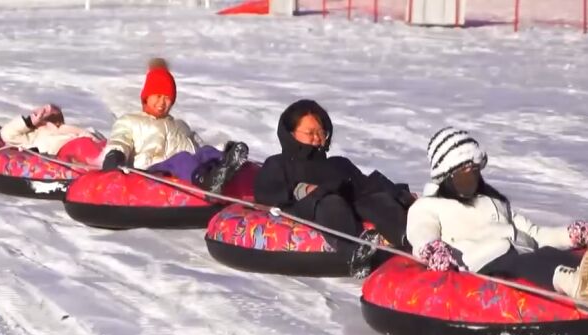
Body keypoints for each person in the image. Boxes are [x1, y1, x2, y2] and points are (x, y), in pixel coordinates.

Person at [407, 127, 588, 300]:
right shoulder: (428, 206)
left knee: (547, 253)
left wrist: (572, 235)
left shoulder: (493, 201)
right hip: (483, 263)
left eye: (474, 171)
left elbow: (535, 234)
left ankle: (581, 275)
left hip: (521, 252)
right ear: (446, 176)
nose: (471, 178)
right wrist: (433, 250)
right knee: (525, 263)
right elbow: (422, 232)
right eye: (463, 173)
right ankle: (573, 285)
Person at [254, 99, 416, 277]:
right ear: (291, 134)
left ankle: (410, 242)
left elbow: (366, 185)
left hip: (348, 203)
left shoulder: (338, 163)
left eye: (320, 132)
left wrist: (402, 197)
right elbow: (266, 194)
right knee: (332, 202)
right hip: (312, 208)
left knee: (376, 199)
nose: (317, 138)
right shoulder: (279, 164)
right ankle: (353, 253)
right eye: (310, 132)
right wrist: (303, 191)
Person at [101, 58, 248, 192]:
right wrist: (115, 155)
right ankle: (206, 181)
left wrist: (224, 149)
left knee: (206, 151)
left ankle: (226, 168)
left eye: (168, 98)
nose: (162, 103)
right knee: (182, 158)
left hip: (182, 173)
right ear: (146, 97)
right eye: (158, 96)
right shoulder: (131, 121)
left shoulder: (180, 125)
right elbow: (120, 139)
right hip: (150, 172)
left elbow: (199, 146)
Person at [0, 104, 103, 158]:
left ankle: (108, 163)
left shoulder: (68, 129)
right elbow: (6, 134)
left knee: (85, 144)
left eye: (51, 109)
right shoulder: (32, 134)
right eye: (43, 110)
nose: (46, 110)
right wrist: (29, 122)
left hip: (80, 146)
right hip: (59, 153)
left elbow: (92, 138)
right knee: (80, 146)